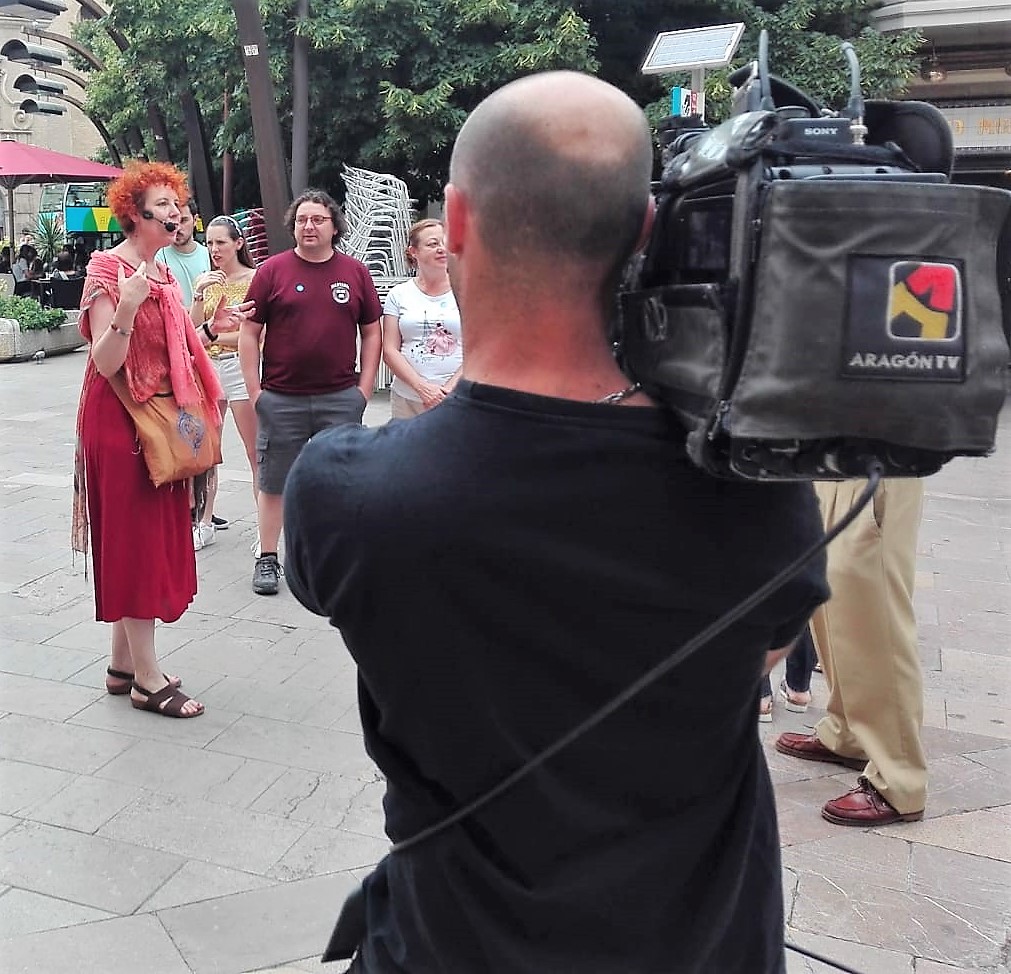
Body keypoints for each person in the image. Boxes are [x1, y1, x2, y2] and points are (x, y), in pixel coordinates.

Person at [282, 72, 829, 973]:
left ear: (456, 221)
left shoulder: (347, 495)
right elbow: (763, 655)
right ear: (645, 228)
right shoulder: (757, 490)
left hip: (447, 947)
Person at [71, 161, 231, 719]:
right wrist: (128, 304)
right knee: (135, 543)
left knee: (141, 539)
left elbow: (177, 348)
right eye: (163, 204)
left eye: (176, 203)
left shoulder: (161, 272)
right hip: (120, 421)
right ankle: (147, 679)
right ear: (134, 213)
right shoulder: (107, 270)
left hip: (158, 418)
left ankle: (122, 666)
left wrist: (211, 328)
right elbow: (104, 359)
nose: (175, 212)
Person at [239, 188, 381, 596]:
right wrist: (255, 393)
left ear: (334, 226)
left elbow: (372, 331)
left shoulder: (355, 273)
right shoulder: (272, 271)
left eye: (318, 219)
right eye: (302, 219)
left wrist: (364, 389)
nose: (309, 226)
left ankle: (337, 558)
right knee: (273, 482)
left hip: (341, 398)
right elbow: (249, 332)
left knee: (341, 480)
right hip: (281, 398)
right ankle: (268, 558)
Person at [776, 478, 927, 826]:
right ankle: (848, 732)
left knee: (873, 611)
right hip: (830, 460)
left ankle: (899, 780)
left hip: (881, 460)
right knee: (831, 596)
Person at [189, 215, 258, 549]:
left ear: (238, 243)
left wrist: (214, 336)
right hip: (207, 369)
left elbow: (256, 335)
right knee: (206, 450)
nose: (215, 249)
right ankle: (204, 521)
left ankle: (264, 527)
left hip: (240, 367)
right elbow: (191, 333)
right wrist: (199, 294)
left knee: (254, 450)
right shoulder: (206, 280)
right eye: (210, 243)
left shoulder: (255, 280)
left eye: (221, 242)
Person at [381, 219, 462, 418]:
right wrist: (422, 388)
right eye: (433, 244)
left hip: (456, 398)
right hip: (407, 399)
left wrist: (447, 390)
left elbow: (478, 351)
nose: (441, 249)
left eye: (445, 242)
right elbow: (390, 350)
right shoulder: (399, 294)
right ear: (413, 252)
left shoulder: (467, 292)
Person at [155, 199, 210, 305]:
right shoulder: (157, 259)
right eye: (173, 221)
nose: (178, 227)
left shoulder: (210, 255)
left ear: (195, 220)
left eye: (183, 220)